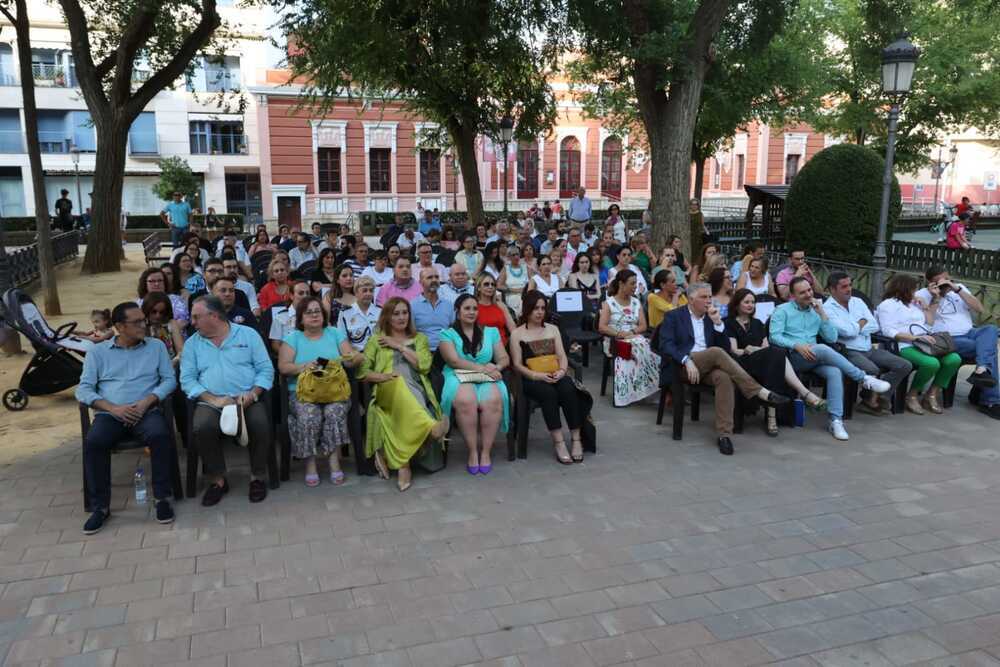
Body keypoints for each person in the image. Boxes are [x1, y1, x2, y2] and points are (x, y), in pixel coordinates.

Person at [76, 302, 178, 534]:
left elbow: (169, 380)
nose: (144, 324)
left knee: (160, 435)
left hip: (146, 410)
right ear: (120, 326)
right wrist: (113, 408)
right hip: (111, 413)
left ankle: (162, 498)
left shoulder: (156, 347)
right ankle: (100, 507)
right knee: (94, 442)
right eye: (137, 322)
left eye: (143, 320)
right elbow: (84, 390)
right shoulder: (98, 352)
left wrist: (147, 401)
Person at [660, 283, 791, 455]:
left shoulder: (710, 318)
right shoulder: (674, 316)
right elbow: (666, 345)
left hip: (708, 366)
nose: (708, 301)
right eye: (704, 297)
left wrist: (718, 324)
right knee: (715, 352)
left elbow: (725, 349)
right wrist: (686, 360)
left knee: (724, 377)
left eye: (709, 297)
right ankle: (760, 392)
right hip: (683, 366)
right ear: (691, 299)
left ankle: (724, 435)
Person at [770, 276, 892, 441]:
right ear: (792, 295)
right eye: (802, 292)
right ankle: (863, 378)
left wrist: (822, 314)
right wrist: (796, 345)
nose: (808, 294)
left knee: (834, 371)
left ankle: (836, 420)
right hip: (792, 359)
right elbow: (774, 337)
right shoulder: (782, 310)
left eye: (809, 290)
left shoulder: (816, 311)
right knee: (820, 348)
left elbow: (831, 338)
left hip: (814, 358)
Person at [180, 296, 275, 506]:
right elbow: (187, 379)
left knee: (259, 423)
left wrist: (253, 393)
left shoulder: (248, 334)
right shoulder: (192, 344)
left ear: (213, 316)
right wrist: (212, 399)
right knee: (202, 426)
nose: (192, 322)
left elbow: (265, 369)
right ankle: (218, 480)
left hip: (246, 397)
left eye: (196, 317)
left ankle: (257, 477)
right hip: (211, 400)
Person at [357, 297, 449, 492]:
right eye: (396, 313)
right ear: (387, 317)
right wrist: (383, 376)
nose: (401, 317)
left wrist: (398, 346)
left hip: (416, 387)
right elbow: (362, 373)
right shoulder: (376, 340)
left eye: (404, 312)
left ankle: (403, 465)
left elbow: (424, 366)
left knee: (406, 390)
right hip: (386, 387)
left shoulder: (419, 339)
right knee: (398, 381)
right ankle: (431, 429)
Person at [278, 295, 361, 487]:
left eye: (317, 311)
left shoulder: (334, 333)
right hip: (302, 393)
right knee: (309, 415)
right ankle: (310, 463)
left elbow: (349, 358)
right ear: (300, 318)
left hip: (334, 391)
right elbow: (283, 367)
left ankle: (333, 460)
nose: (314, 315)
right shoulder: (292, 339)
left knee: (334, 412)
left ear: (323, 315)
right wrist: (306, 366)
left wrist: (354, 358)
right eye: (309, 312)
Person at [726, 289, 827, 436]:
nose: (750, 305)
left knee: (776, 356)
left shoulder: (757, 323)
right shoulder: (729, 323)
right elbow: (734, 350)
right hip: (742, 363)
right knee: (777, 355)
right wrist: (747, 350)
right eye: (746, 302)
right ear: (736, 304)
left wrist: (756, 349)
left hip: (762, 361)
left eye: (753, 302)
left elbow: (766, 347)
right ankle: (801, 397)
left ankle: (775, 414)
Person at [510, 291, 592, 464]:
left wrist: (562, 371)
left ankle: (576, 439)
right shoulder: (517, 333)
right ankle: (559, 442)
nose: (540, 312)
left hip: (556, 372)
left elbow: (562, 355)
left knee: (568, 388)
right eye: (535, 308)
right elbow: (517, 364)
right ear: (527, 310)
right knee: (548, 393)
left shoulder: (552, 329)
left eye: (542, 308)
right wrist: (537, 375)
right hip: (532, 377)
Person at [438, 294, 510, 475]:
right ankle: (472, 451)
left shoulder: (491, 332)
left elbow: (503, 357)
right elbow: (453, 361)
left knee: (492, 400)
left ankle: (485, 451)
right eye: (467, 308)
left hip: (486, 375)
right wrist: (482, 368)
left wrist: (497, 366)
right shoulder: (447, 334)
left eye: (475, 308)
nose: (471, 312)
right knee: (466, 401)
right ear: (458, 312)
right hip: (458, 375)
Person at [916, 266, 999, 418]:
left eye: (947, 279)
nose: (944, 283)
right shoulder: (921, 295)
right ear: (929, 282)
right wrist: (936, 296)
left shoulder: (958, 289)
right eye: (939, 281)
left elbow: (980, 309)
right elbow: (926, 323)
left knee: (991, 330)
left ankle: (982, 372)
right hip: (946, 339)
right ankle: (990, 399)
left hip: (970, 332)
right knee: (986, 349)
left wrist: (957, 289)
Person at [825, 272, 912, 415]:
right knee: (872, 370)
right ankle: (869, 399)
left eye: (850, 285)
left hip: (868, 348)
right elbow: (846, 332)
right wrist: (861, 324)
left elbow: (874, 325)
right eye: (844, 286)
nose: (849, 289)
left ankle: (878, 397)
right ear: (832, 289)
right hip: (848, 350)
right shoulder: (828, 308)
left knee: (904, 365)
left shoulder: (857, 302)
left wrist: (856, 327)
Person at [877, 273, 960, 415]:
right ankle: (912, 395)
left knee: (954, 359)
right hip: (903, 345)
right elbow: (887, 331)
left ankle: (931, 394)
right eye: (913, 290)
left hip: (924, 343)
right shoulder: (887, 305)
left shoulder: (913, 303)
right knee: (931, 363)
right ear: (903, 289)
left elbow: (929, 323)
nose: (915, 293)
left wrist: (927, 305)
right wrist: (914, 338)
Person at [598, 269, 660, 407]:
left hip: (635, 337)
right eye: (632, 283)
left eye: (636, 283)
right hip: (615, 341)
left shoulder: (636, 302)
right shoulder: (609, 303)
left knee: (652, 349)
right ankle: (647, 391)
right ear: (621, 284)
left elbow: (643, 325)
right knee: (641, 346)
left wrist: (631, 331)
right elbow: (602, 327)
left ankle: (648, 390)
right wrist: (620, 334)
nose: (635, 287)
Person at [411, 267, 455, 354]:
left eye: (436, 277)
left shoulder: (449, 304)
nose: (434, 280)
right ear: (420, 282)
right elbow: (410, 332)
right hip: (422, 351)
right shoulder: (412, 305)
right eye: (430, 277)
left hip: (446, 351)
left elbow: (453, 329)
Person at [338, 276, 381, 352]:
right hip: (355, 356)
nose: (368, 293)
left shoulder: (381, 312)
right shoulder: (345, 313)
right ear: (356, 293)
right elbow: (342, 339)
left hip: (378, 354)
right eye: (364, 291)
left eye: (371, 290)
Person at [269, 281, 312, 354]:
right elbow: (276, 345)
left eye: (307, 293)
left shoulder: (316, 315)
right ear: (291, 296)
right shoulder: (280, 317)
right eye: (301, 293)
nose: (305, 296)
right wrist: (289, 357)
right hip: (291, 359)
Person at [142, 293, 184, 366]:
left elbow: (181, 351)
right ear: (147, 310)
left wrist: (173, 362)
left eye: (162, 312)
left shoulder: (171, 323)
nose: (158, 316)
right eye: (154, 312)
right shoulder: (141, 326)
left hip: (171, 365)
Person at [474, 273, 516, 346]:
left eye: (493, 284)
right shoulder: (474, 306)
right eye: (486, 284)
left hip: (504, 345)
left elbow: (512, 328)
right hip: (483, 347)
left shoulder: (500, 305)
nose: (490, 287)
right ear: (478, 287)